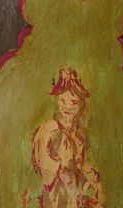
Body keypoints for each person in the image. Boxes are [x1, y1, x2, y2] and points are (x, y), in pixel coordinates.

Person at [30, 67, 104, 208]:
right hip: (56, 192)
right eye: (63, 101)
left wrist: (88, 172)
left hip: (74, 191)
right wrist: (61, 170)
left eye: (74, 102)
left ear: (81, 104)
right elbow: (42, 160)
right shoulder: (49, 129)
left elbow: (80, 162)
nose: (67, 107)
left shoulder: (78, 135)